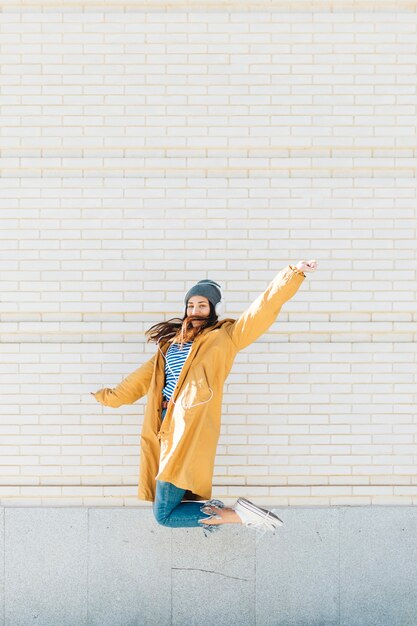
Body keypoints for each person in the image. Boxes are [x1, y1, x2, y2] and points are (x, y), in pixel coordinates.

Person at [91, 260, 317, 540]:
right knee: (166, 509)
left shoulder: (225, 336)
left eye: (202, 305)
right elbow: (138, 381)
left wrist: (292, 275)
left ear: (213, 309)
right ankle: (231, 513)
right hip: (162, 427)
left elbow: (262, 310)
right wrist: (106, 397)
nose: (195, 310)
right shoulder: (170, 344)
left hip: (189, 427)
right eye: (191, 305)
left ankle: (239, 515)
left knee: (164, 515)